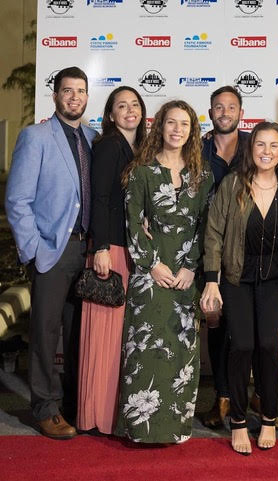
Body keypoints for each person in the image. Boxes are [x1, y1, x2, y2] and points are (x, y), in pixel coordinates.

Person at [5, 66, 98, 439]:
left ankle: (75, 406)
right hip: (52, 252)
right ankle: (45, 408)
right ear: (56, 95)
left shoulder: (93, 139)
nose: (75, 97)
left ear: (87, 96)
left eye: (81, 91)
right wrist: (35, 249)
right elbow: (17, 200)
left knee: (79, 334)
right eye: (68, 90)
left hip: (87, 252)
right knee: (45, 334)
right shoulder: (36, 136)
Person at [115, 100, 213, 444]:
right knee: (143, 350)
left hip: (186, 276)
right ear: (160, 127)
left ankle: (175, 427)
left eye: (184, 124)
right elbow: (133, 223)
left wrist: (190, 266)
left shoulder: (203, 175)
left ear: (192, 131)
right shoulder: (141, 171)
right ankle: (139, 429)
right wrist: (152, 264)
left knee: (181, 351)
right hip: (149, 274)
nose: (177, 130)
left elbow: (206, 226)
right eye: (171, 122)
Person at [201, 122, 278, 455]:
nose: (266, 151)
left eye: (273, 145)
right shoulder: (232, 184)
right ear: (250, 149)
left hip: (275, 279)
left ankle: (268, 417)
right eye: (260, 144)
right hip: (236, 277)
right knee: (241, 345)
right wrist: (211, 280)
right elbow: (213, 233)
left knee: (268, 346)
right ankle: (238, 420)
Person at [77, 86, 147, 435]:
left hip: (131, 250)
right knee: (104, 335)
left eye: (135, 104)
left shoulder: (140, 148)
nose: (130, 110)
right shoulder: (108, 145)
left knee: (121, 336)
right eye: (122, 105)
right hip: (111, 249)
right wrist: (101, 247)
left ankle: (115, 413)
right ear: (110, 114)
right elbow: (100, 199)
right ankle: (96, 416)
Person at [201, 85, 248, 428]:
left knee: (247, 330)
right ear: (210, 112)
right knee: (216, 323)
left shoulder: (255, 146)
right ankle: (222, 396)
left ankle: (248, 395)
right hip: (208, 246)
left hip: (248, 250)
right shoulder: (197, 149)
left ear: (241, 113)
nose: (225, 112)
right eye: (219, 107)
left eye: (231, 107)